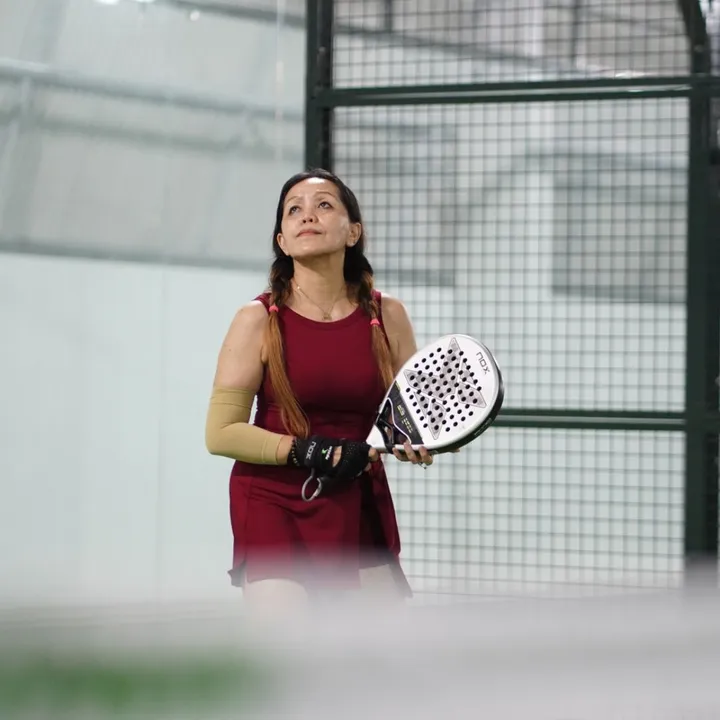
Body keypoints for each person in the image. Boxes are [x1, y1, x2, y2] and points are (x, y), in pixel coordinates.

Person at [204, 168, 432, 613]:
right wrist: (312, 451)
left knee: (379, 649)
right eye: (294, 210)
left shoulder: (389, 315)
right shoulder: (255, 319)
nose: (307, 215)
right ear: (283, 241)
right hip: (273, 502)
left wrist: (418, 441)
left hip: (358, 497)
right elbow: (221, 432)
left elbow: (414, 417)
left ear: (353, 232)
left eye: (324, 205)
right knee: (290, 646)